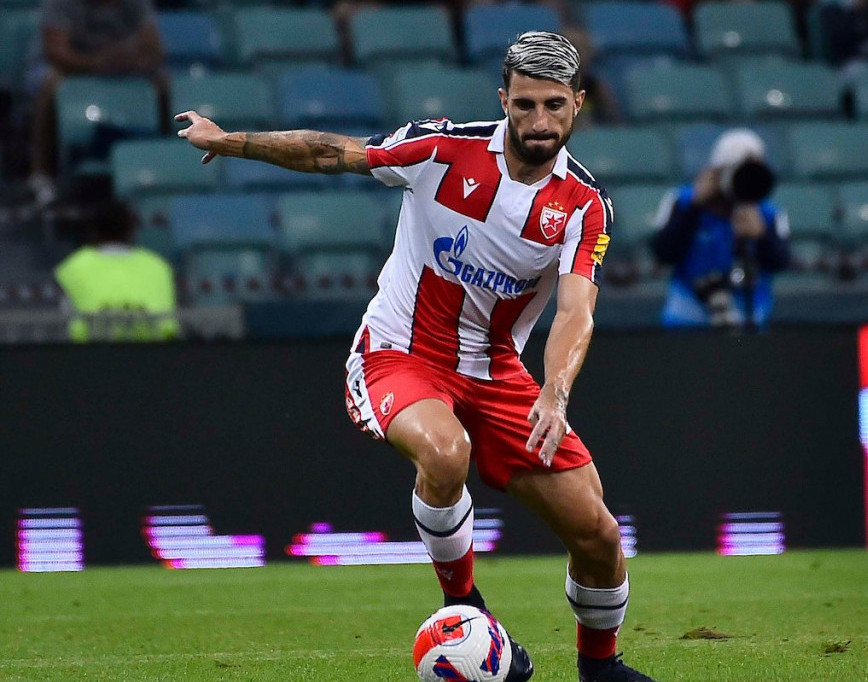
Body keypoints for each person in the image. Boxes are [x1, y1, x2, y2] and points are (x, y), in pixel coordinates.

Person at [176, 31, 658, 682]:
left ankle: (599, 669)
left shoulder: (583, 206)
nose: (539, 121)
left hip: (496, 371)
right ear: (504, 101)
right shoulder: (442, 149)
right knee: (445, 451)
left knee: (598, 534)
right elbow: (331, 152)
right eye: (524, 105)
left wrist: (555, 389)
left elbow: (576, 311)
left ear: (577, 104)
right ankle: (465, 606)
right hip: (399, 353)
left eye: (553, 105)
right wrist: (231, 141)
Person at [28, 0, 166, 205]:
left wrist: (133, 62)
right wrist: (97, 63)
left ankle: (162, 165)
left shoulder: (135, 3)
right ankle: (42, 173)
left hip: (116, 68)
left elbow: (154, 49)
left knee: (163, 83)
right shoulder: (60, 4)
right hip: (69, 67)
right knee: (50, 84)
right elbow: (55, 51)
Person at [651, 128, 790, 329]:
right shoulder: (682, 201)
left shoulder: (767, 213)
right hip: (687, 319)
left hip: (749, 318)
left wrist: (761, 236)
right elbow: (663, 253)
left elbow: (781, 262)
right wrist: (695, 207)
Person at [54, 199, 180, 342]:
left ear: (93, 230)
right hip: (156, 352)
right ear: (131, 229)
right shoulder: (159, 267)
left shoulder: (71, 268)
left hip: (90, 351)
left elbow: (63, 323)